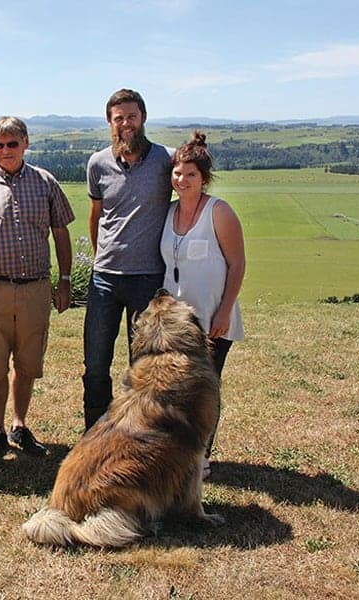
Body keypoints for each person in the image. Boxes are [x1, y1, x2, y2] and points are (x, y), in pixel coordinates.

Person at [0, 116, 75, 463]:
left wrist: (65, 280)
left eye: (12, 143)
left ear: (26, 143)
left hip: (35, 289)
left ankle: (19, 424)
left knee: (28, 363)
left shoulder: (45, 182)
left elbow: (61, 232)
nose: (5, 150)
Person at [82, 88, 174, 431]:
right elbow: (96, 215)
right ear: (109, 122)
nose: (126, 124)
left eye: (131, 117)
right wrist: (101, 257)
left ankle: (140, 434)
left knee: (144, 366)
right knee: (95, 366)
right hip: (105, 279)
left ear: (143, 118)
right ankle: (95, 436)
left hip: (149, 279)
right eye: (118, 118)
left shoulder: (166, 160)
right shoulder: (97, 163)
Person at [160, 130, 245, 478]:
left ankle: (201, 457)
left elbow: (237, 264)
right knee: (176, 389)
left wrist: (224, 311)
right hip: (178, 323)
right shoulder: (167, 212)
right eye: (177, 173)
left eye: (190, 174)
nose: (182, 180)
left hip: (212, 318)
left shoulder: (218, 212)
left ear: (204, 178)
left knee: (204, 390)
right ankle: (177, 453)